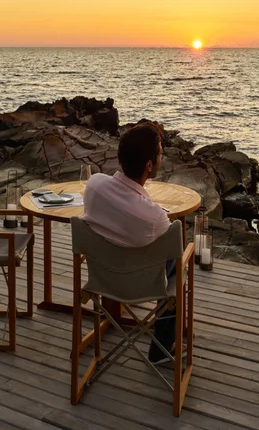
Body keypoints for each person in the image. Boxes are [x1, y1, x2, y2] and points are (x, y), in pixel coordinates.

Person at [82, 121, 176, 364]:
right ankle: (162, 349)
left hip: (101, 280)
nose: (161, 158)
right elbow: (161, 246)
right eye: (160, 154)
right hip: (139, 288)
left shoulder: (93, 186)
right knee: (177, 260)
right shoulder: (155, 217)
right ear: (149, 165)